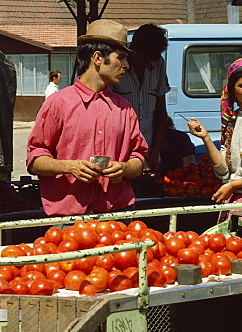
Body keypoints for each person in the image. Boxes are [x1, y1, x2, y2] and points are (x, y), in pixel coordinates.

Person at [27, 19, 147, 215]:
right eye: (121, 58)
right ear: (98, 58)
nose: (126, 66)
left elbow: (139, 159)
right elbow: (35, 159)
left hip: (118, 215)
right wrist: (69, 166)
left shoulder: (125, 109)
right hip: (68, 220)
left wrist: (124, 168)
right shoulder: (58, 103)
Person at [186, 58, 242, 204]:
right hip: (234, 201)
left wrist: (234, 184)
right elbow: (224, 172)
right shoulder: (232, 118)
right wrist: (206, 138)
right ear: (231, 88)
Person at [112, 23, 170, 171]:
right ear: (133, 49)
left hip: (149, 152)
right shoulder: (116, 67)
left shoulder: (158, 64)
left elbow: (161, 114)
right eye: (144, 58)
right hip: (119, 153)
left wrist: (155, 152)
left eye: (151, 59)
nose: (147, 63)